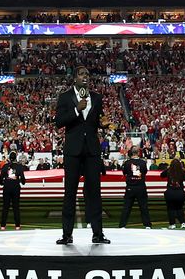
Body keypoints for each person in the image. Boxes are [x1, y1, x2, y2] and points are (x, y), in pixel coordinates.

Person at [54, 65, 107, 245]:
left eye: (87, 74)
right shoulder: (65, 97)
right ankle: (67, 235)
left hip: (92, 151)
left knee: (94, 193)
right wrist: (77, 109)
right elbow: (59, 122)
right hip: (73, 151)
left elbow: (96, 121)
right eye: (82, 74)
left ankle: (98, 234)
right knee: (70, 192)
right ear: (75, 77)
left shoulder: (97, 98)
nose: (86, 77)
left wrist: (103, 124)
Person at [117, 145, 152, 229]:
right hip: (140, 187)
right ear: (138, 152)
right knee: (143, 207)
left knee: (127, 207)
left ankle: (122, 225)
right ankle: (147, 225)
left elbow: (124, 172)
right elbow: (144, 172)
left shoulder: (127, 163)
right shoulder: (143, 163)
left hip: (130, 187)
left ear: (131, 153)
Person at [0, 151, 26, 230]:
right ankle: (17, 225)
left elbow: (0, 179)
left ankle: (3, 225)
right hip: (15, 187)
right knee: (16, 207)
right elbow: (23, 179)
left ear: (9, 158)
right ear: (15, 158)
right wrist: (21, 182)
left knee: (5, 207)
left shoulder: (5, 166)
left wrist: (4, 183)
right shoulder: (19, 167)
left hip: (7, 187)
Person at [160, 157, 185, 229]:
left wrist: (168, 168)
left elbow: (161, 175)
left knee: (171, 209)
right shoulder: (181, 171)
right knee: (179, 208)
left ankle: (172, 224)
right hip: (180, 192)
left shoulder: (169, 170)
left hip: (170, 192)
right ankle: (183, 222)